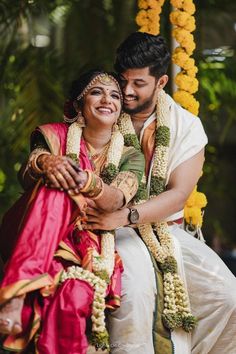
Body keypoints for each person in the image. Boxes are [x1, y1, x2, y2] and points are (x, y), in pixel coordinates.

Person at [84, 33, 236, 354]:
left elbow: (179, 194)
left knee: (227, 296)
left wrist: (127, 214)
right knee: (135, 294)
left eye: (138, 83)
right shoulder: (104, 108)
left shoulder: (187, 125)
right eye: (123, 80)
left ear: (161, 81)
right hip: (111, 230)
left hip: (167, 231)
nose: (126, 91)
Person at [0, 69, 145, 353]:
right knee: (57, 185)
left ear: (120, 111)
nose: (107, 99)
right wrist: (46, 163)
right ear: (79, 105)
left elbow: (117, 198)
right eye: (96, 92)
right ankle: (15, 295)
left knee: (74, 297)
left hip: (86, 245)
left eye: (115, 95)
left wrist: (88, 183)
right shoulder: (54, 136)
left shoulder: (130, 155)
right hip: (32, 228)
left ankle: (19, 295)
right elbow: (27, 176)